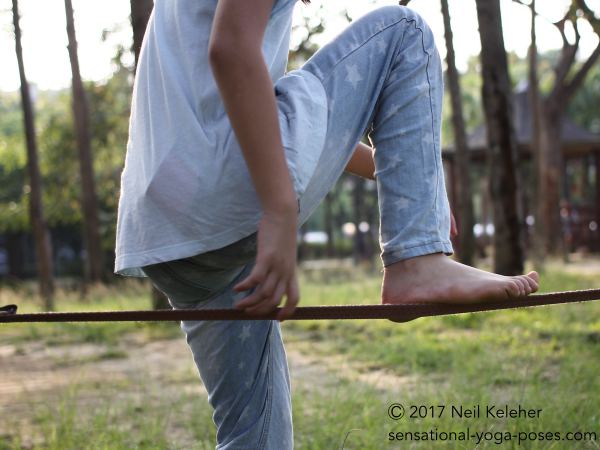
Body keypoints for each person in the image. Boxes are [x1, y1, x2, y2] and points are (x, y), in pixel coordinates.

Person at [114, 0, 540, 447]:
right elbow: (232, 52)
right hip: (224, 195)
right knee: (403, 30)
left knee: (256, 437)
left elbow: (248, 93)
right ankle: (417, 262)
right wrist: (279, 210)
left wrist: (404, 168)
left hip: (172, 235)